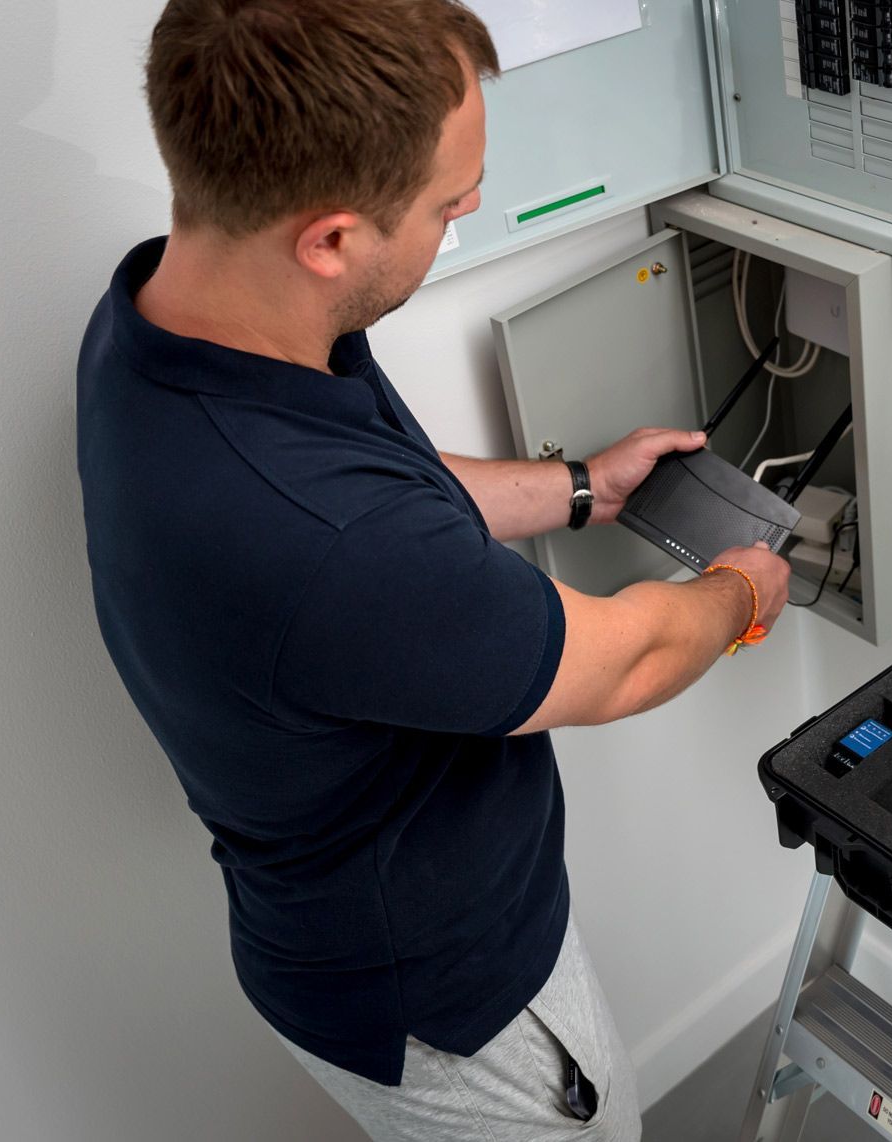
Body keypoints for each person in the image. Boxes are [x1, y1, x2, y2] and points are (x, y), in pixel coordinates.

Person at [74, 1, 791, 1137]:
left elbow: (382, 482)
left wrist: (579, 488)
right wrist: (743, 592)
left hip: (336, 927)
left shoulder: (168, 324)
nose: (462, 217)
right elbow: (625, 660)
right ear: (332, 238)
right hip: (452, 1012)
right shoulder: (329, 542)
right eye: (449, 205)